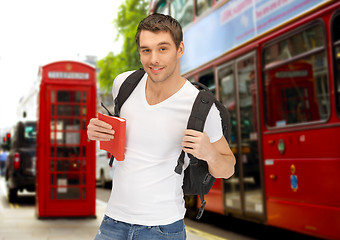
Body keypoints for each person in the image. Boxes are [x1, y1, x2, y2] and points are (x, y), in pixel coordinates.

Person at [87, 13, 235, 240]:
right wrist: (95, 131)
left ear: (180, 49)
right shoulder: (124, 85)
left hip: (162, 229)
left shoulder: (201, 106)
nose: (153, 59)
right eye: (146, 50)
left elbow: (228, 168)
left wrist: (210, 153)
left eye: (163, 49)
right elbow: (121, 138)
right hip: (112, 223)